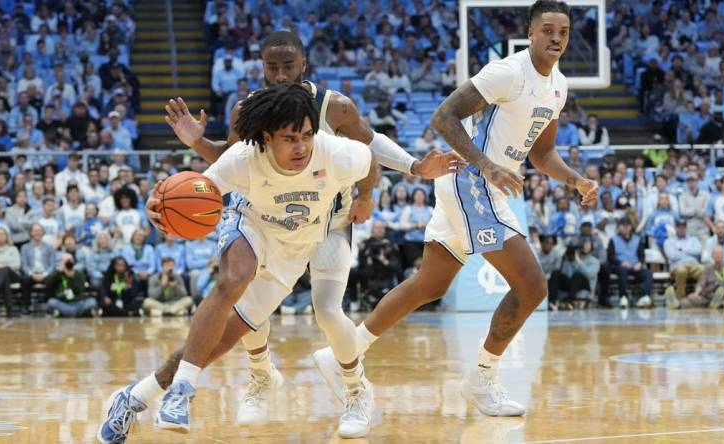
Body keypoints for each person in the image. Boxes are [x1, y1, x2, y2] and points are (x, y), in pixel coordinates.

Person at [138, 30, 461, 429]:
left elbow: (370, 146)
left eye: (287, 66)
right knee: (242, 288)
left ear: (303, 65)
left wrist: (377, 190)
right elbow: (233, 160)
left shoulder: (334, 107)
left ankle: (356, 390)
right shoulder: (250, 109)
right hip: (270, 216)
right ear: (261, 68)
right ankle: (259, 375)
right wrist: (198, 142)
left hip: (330, 219)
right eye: (271, 67)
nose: (278, 74)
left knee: (327, 311)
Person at [313, 0, 598, 418]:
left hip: (481, 185)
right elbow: (443, 117)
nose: (556, 38)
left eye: (564, 32)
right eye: (548, 30)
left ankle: (344, 350)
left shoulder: (558, 86)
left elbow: (543, 153)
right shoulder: (508, 72)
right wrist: (487, 165)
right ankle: (481, 380)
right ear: (532, 33)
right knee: (533, 287)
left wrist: (575, 179)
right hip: (471, 181)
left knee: (431, 284)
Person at [99, 83, 380, 442]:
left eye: (307, 135)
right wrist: (158, 207)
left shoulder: (336, 153)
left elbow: (369, 162)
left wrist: (367, 195)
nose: (302, 146)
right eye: (290, 138)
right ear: (267, 137)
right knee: (235, 277)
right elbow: (192, 194)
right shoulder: (244, 158)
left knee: (221, 340)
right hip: (250, 224)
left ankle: (134, 397)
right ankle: (183, 390)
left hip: (292, 253)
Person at [607, 217, 653, 309]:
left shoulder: (637, 239)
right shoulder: (613, 240)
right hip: (619, 265)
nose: (625, 228)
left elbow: (641, 255)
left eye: (627, 226)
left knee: (648, 274)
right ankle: (623, 297)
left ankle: (644, 296)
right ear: (619, 227)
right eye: (623, 226)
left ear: (631, 227)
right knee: (622, 271)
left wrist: (640, 263)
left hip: (634, 266)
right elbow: (610, 257)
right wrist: (621, 263)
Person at [547, 239, 599, 310]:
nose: (585, 247)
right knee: (556, 273)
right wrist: (566, 261)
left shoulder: (595, 261)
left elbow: (589, 275)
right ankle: (552, 302)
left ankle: (570, 301)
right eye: (584, 244)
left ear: (592, 247)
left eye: (588, 245)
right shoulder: (573, 259)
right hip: (573, 284)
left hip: (586, 285)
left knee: (577, 275)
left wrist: (578, 261)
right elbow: (567, 275)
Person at [663, 219, 704, 308]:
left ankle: (701, 296)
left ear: (686, 228)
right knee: (681, 271)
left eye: (683, 227)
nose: (681, 229)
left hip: (694, 265)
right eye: (679, 227)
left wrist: (681, 249)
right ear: (675, 228)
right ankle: (679, 298)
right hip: (677, 265)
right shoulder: (669, 241)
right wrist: (690, 252)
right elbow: (672, 255)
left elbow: (698, 251)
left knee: (704, 270)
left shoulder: (694, 239)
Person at [45, 252, 97, 318]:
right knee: (51, 302)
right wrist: (58, 272)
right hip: (63, 303)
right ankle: (76, 314)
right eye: (65, 261)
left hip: (78, 302)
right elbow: (47, 283)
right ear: (61, 262)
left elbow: (80, 289)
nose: (68, 263)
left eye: (69, 260)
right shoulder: (58, 273)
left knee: (92, 301)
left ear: (73, 261)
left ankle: (67, 314)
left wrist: (72, 277)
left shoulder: (78, 274)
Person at [20, 224, 56, 312]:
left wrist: (44, 274)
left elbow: (52, 265)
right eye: (35, 231)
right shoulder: (25, 247)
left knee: (52, 279)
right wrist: (32, 274)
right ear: (31, 233)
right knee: (24, 280)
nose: (37, 233)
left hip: (45, 273)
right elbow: (24, 265)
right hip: (32, 273)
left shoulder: (49, 247)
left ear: (43, 233)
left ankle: (50, 305)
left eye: (39, 231)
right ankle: (26, 306)